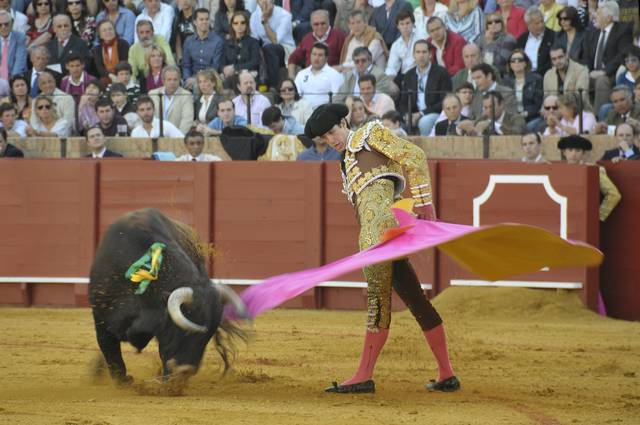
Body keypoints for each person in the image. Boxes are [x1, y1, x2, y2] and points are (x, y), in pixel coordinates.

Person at [304, 103, 459, 394]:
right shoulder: (346, 160)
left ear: (344, 121)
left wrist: (425, 202)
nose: (331, 139)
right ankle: (446, 373)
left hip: (379, 237)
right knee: (416, 299)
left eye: (332, 131)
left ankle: (363, 376)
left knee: (378, 302)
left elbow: (415, 155)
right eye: (324, 137)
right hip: (380, 236)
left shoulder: (369, 135)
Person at [579, 1, 632, 113]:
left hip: (611, 73)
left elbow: (623, 54)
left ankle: (599, 117)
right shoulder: (593, 32)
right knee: (579, 78)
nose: (594, 17)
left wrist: (604, 71)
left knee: (601, 81)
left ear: (608, 18)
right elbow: (586, 56)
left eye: (598, 14)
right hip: (592, 72)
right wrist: (586, 71)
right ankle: (581, 115)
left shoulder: (623, 30)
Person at [557, 134, 621, 222]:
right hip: (562, 218)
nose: (573, 154)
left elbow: (614, 194)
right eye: (570, 150)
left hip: (583, 219)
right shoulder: (558, 171)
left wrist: (598, 216)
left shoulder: (594, 170)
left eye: (578, 150)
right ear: (564, 152)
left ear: (583, 153)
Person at [400, 39, 451, 136]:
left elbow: (444, 101)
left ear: (430, 54)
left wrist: (421, 114)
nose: (421, 55)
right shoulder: (408, 75)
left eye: (424, 52)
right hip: (414, 114)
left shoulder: (441, 73)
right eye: (418, 52)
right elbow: (403, 102)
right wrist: (408, 115)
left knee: (425, 122)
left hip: (435, 113)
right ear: (414, 55)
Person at [287, 9, 346, 79]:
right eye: (316, 24)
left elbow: (347, 60)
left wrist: (338, 68)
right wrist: (291, 76)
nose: (320, 27)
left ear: (329, 22)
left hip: (332, 77)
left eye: (323, 23)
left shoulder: (339, 36)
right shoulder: (307, 38)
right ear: (311, 25)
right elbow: (293, 58)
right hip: (311, 77)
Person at [249, 0, 294, 88]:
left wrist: (265, 21)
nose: (264, 2)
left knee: (270, 48)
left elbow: (275, 40)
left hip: (285, 49)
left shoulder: (284, 15)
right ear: (257, 2)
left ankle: (274, 87)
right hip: (265, 49)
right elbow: (254, 40)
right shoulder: (254, 16)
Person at [181, 8, 223, 91]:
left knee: (197, 87)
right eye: (201, 19)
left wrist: (198, 80)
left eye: (207, 19)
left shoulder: (218, 41)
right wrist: (187, 78)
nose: (205, 22)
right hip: (191, 78)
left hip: (210, 79)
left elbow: (215, 67)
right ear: (195, 22)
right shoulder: (188, 41)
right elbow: (186, 65)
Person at [294, 43, 345, 110]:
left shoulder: (335, 75)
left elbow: (336, 99)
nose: (316, 58)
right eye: (314, 54)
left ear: (326, 58)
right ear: (310, 55)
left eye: (320, 55)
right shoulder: (301, 74)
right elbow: (296, 95)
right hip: (302, 111)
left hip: (324, 112)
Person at [148, 65, 194, 134]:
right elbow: (149, 116)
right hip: (155, 135)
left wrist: (178, 137)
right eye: (169, 79)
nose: (172, 82)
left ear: (179, 80)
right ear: (163, 81)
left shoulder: (186, 95)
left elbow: (187, 119)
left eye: (175, 79)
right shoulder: (152, 94)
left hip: (177, 136)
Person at [543, 44, 590, 109]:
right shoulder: (548, 75)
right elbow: (546, 99)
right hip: (555, 113)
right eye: (554, 59)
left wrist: (559, 102)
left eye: (560, 57)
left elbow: (581, 97)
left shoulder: (581, 70)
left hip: (578, 113)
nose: (557, 61)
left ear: (566, 55)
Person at [458, 90, 526, 135]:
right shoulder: (483, 118)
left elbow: (517, 132)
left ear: (501, 104)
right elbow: (473, 126)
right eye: (485, 108)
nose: (488, 111)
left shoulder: (516, 118)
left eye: (491, 107)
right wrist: (462, 128)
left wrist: (493, 125)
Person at [502, 49, 542, 123]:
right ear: (510, 65)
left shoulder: (536, 79)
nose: (516, 62)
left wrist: (525, 114)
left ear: (525, 63)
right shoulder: (506, 82)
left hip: (531, 117)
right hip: (512, 118)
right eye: (513, 60)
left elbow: (538, 104)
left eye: (520, 60)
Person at [220, 10, 261, 81]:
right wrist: (224, 69)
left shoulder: (254, 42)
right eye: (236, 23)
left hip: (248, 77)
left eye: (243, 23)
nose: (239, 26)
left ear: (247, 24)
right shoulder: (226, 43)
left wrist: (234, 68)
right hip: (230, 77)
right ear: (232, 25)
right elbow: (221, 63)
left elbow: (255, 63)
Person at [515, 7, 555, 76]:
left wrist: (535, 75)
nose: (541, 25)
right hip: (523, 74)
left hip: (544, 76)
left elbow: (552, 62)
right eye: (537, 23)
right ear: (528, 25)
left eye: (542, 21)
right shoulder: (522, 39)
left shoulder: (553, 36)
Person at [384, 9, 419, 82]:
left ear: (413, 23)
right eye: (402, 24)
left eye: (407, 23)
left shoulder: (420, 38)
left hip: (420, 73)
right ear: (398, 26)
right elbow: (392, 67)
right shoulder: (396, 45)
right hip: (405, 77)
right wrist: (388, 80)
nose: (405, 27)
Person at [92, 19, 130, 83]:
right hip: (106, 77)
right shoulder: (97, 49)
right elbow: (100, 69)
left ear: (114, 31)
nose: (108, 32)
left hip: (122, 76)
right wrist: (111, 75)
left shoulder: (123, 44)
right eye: (104, 30)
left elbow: (124, 63)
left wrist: (118, 76)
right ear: (100, 35)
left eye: (110, 29)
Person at [0, 10, 28, 79]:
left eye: (6, 24)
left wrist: (12, 80)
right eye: (0, 25)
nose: (3, 27)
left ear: (12, 23)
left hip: (15, 77)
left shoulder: (20, 37)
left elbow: (19, 62)